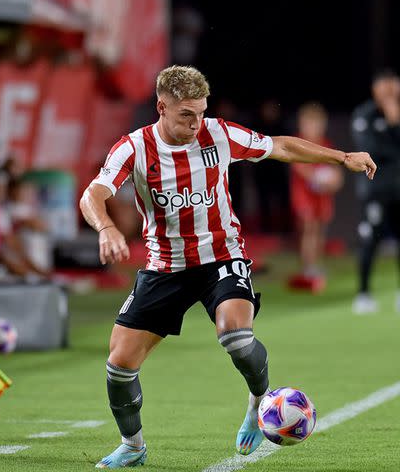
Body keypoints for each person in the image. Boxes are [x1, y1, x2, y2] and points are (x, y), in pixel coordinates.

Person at [79, 65, 376, 468]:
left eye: (201, 111)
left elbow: (281, 147)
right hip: (164, 265)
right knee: (118, 366)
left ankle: (258, 404)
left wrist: (342, 157)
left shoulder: (218, 133)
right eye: (186, 114)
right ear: (161, 107)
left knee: (235, 334)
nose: (196, 122)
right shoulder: (134, 148)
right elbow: (92, 195)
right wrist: (106, 228)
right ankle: (133, 446)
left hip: (221, 255)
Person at [351, 69, 400, 314]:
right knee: (370, 239)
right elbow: (369, 150)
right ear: (375, 89)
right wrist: (391, 124)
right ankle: (363, 294)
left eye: (393, 87)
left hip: (398, 189)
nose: (389, 93)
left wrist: (395, 123)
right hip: (375, 191)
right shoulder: (364, 115)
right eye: (385, 87)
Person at [287, 102, 343, 292]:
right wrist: (317, 178)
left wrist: (334, 180)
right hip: (304, 193)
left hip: (321, 194)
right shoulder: (298, 141)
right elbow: (298, 166)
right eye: (309, 123)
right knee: (308, 228)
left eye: (317, 123)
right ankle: (307, 268)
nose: (313, 127)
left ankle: (315, 265)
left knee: (319, 229)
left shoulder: (325, 143)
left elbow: (335, 167)